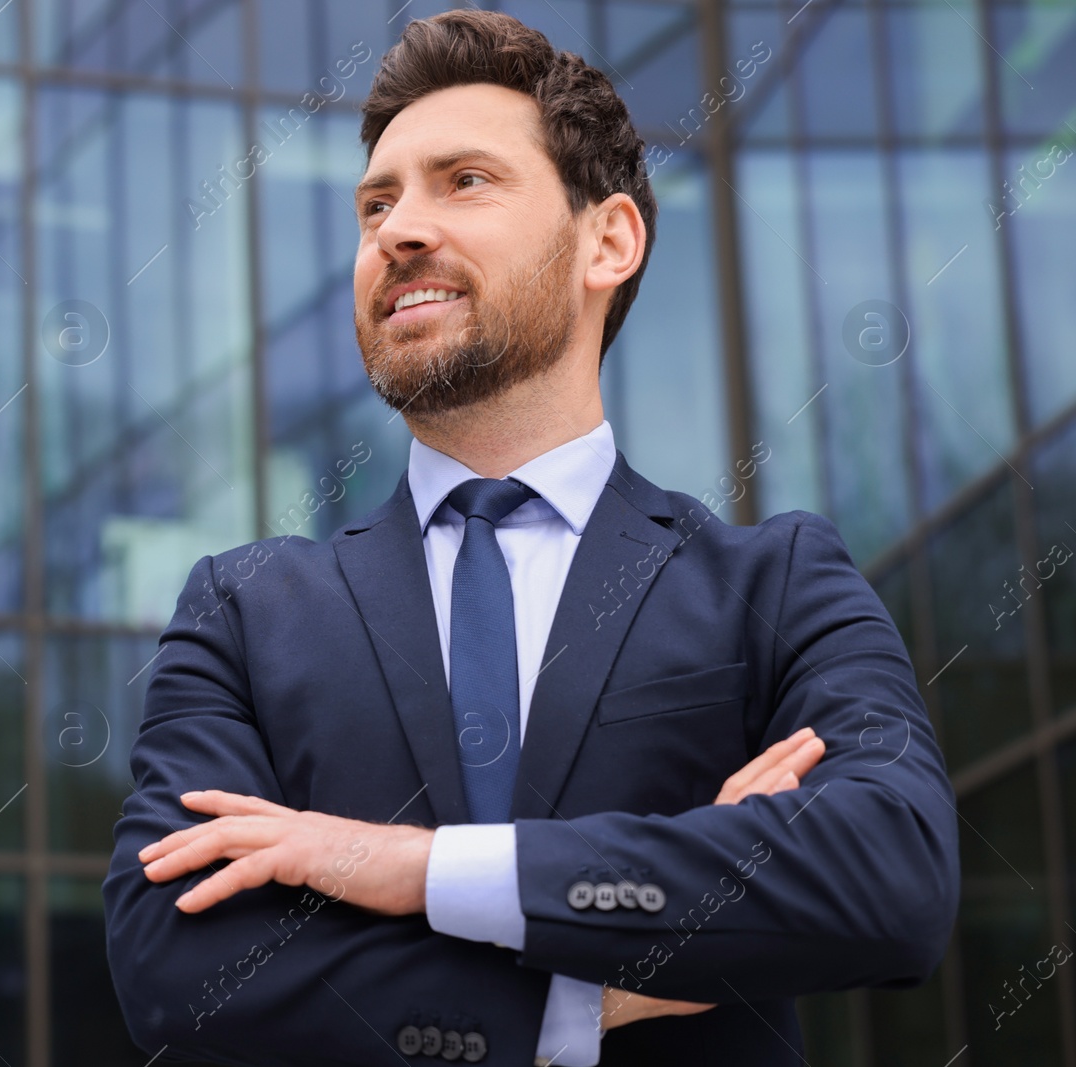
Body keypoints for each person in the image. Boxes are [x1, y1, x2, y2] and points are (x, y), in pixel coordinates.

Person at [103, 10, 958, 1065]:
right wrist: (591, 990)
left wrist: (413, 868)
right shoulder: (242, 611)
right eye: (378, 201)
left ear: (609, 241)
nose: (398, 229)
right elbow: (177, 971)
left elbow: (889, 875)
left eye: (463, 181)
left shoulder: (774, 585)